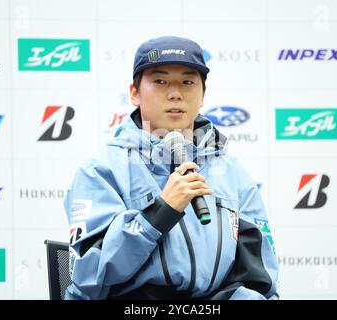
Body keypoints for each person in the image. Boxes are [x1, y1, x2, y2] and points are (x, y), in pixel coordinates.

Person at [64, 35, 279, 300]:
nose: (175, 93)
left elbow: (261, 276)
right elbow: (89, 277)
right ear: (134, 93)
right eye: (160, 81)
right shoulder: (100, 170)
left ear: (203, 95)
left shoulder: (233, 173)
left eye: (188, 82)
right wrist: (160, 212)